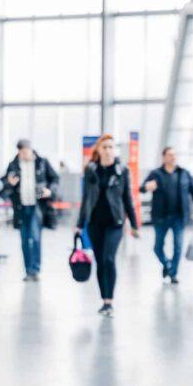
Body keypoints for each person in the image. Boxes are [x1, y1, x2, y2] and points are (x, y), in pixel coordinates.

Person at [76, 135, 139, 317]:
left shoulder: (122, 171)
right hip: (95, 223)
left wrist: (134, 225)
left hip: (115, 222)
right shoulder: (91, 170)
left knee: (108, 258)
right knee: (99, 261)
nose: (108, 150)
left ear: (115, 149)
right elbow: (86, 198)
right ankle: (104, 300)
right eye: (105, 147)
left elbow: (127, 199)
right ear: (99, 150)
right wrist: (80, 224)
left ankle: (110, 301)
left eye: (111, 147)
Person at [140, 147, 193, 284]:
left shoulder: (184, 174)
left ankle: (173, 274)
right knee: (157, 247)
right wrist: (146, 187)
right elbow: (142, 188)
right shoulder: (156, 173)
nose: (173, 157)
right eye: (170, 155)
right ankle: (167, 264)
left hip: (179, 217)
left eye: (175, 155)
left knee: (178, 246)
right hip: (161, 217)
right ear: (163, 157)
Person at [0, 139, 59, 281]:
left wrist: (49, 191)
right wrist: (10, 183)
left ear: (30, 150)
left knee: (36, 237)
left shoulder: (42, 163)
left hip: (37, 207)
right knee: (25, 239)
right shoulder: (13, 165)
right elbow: (4, 187)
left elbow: (55, 179)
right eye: (20, 152)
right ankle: (28, 271)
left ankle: (35, 269)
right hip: (21, 207)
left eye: (25, 151)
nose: (23, 155)